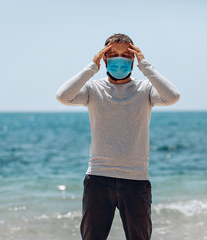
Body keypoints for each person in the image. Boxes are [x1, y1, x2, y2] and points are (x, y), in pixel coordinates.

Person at [56, 33, 180, 240]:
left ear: (133, 58)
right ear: (105, 58)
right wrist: (91, 67)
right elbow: (62, 96)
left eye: (125, 54)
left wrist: (145, 65)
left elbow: (173, 96)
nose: (119, 59)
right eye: (113, 54)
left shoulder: (145, 89)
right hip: (98, 177)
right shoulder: (93, 89)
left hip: (136, 179)